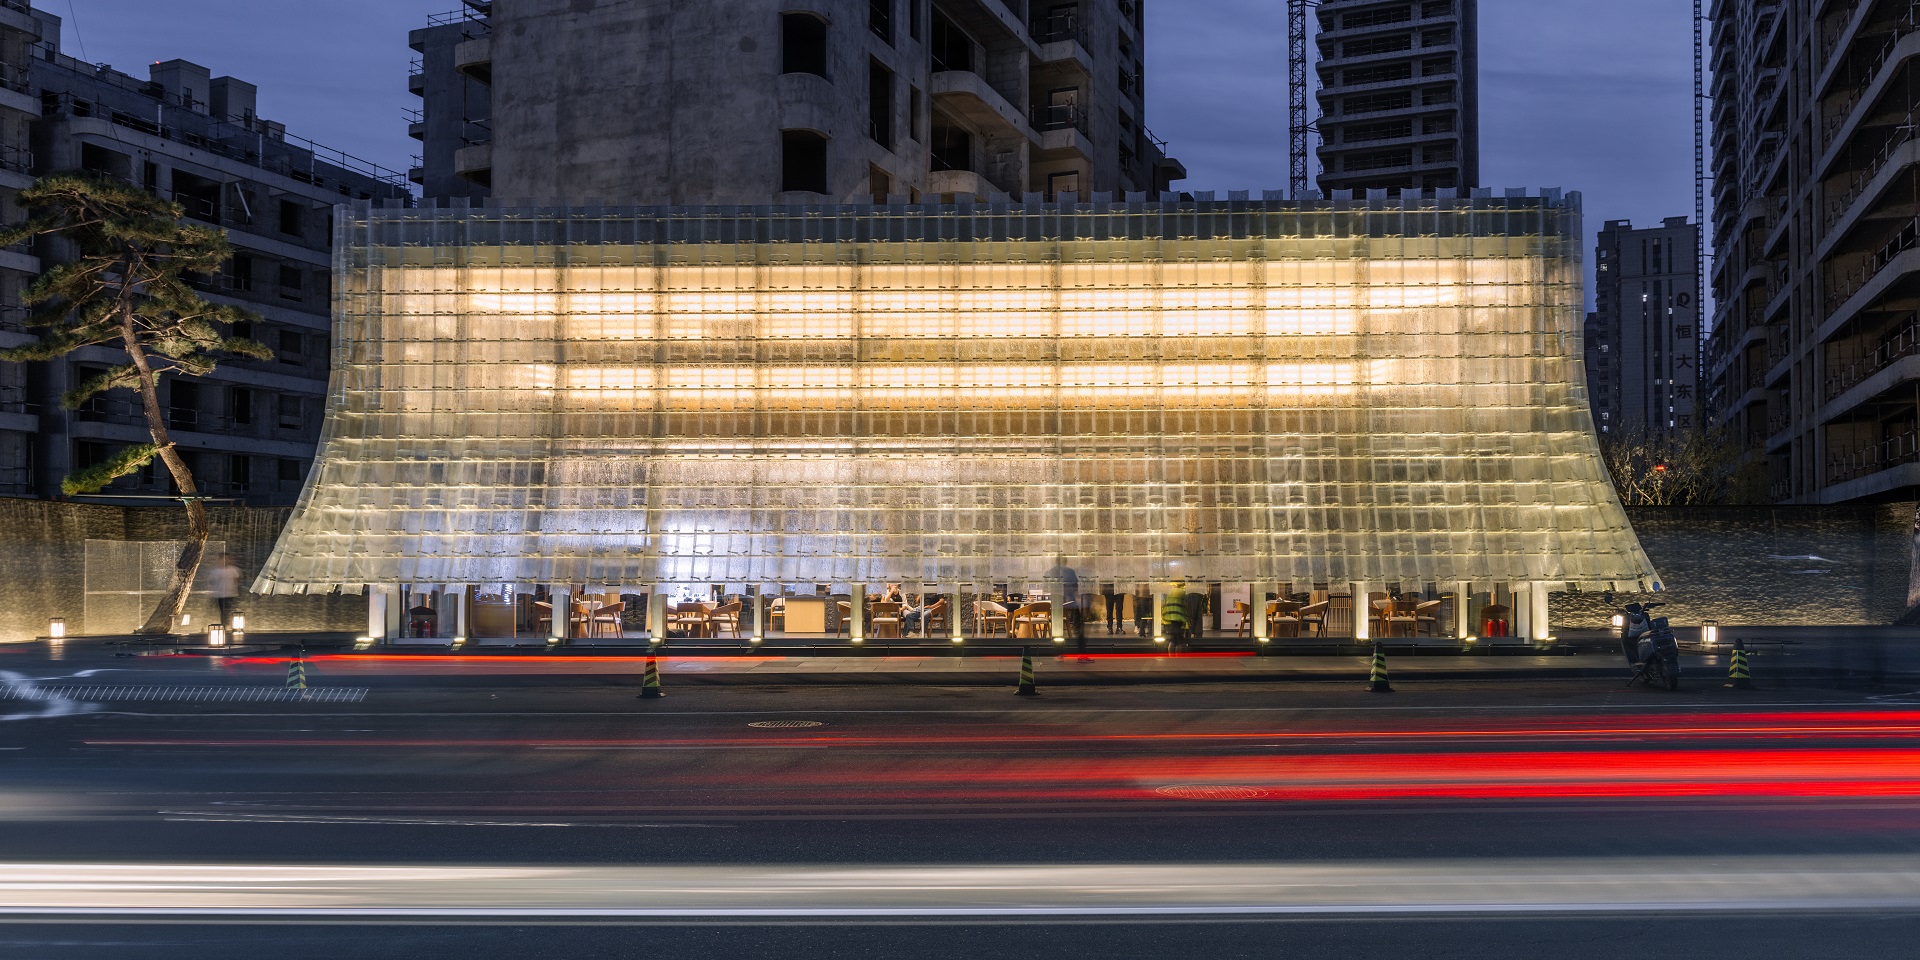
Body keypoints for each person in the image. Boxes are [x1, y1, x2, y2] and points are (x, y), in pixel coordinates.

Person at [208, 555, 241, 628]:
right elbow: (211, 581)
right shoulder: (216, 571)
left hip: (231, 594)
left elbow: (236, 580)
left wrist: (234, 588)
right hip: (220, 595)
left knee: (231, 610)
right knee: (223, 611)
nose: (225, 561)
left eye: (227, 559)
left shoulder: (233, 570)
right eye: (223, 559)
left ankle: (232, 625)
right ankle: (224, 625)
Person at [1163, 581, 1190, 650]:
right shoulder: (1183, 592)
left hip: (1169, 618)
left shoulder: (1169, 592)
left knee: (1172, 639)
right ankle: (1178, 656)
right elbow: (1186, 605)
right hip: (1179, 618)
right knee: (1178, 641)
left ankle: (1170, 655)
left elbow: (1163, 603)